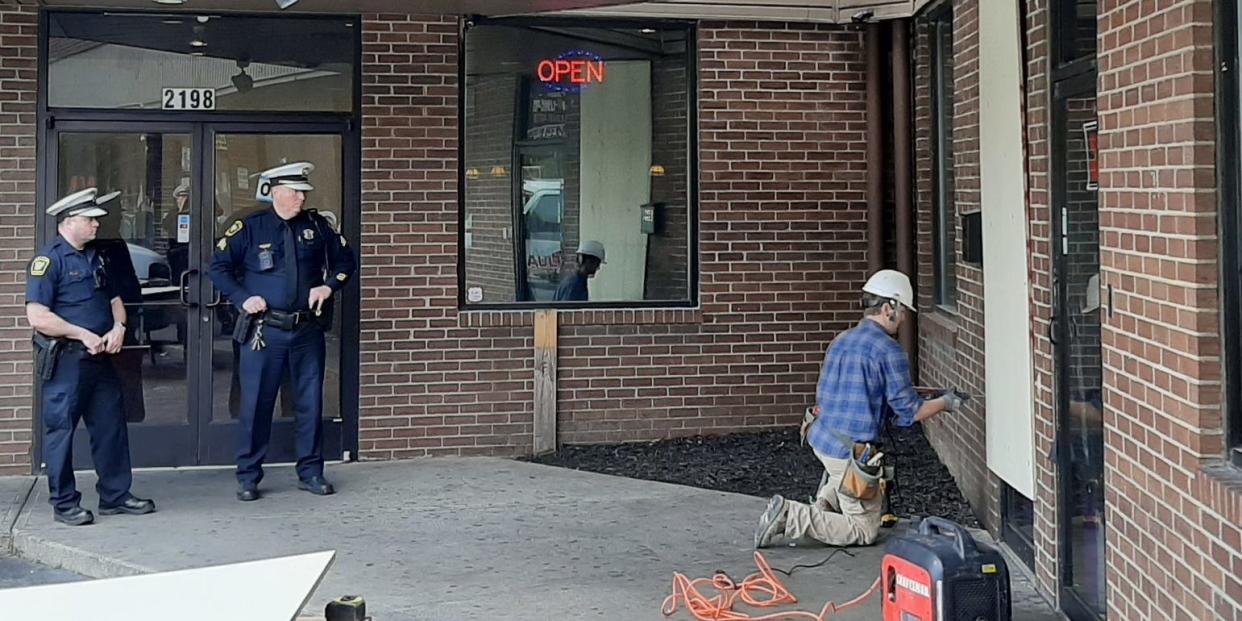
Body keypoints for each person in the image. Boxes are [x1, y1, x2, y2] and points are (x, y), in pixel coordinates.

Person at [754, 269, 964, 548]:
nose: (903, 319)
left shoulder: (842, 339)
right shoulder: (889, 350)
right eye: (902, 312)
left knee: (842, 481)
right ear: (889, 307)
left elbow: (857, 389)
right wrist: (946, 403)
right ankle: (791, 517)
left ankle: (823, 509)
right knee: (864, 530)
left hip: (821, 435)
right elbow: (910, 413)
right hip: (847, 451)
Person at [208, 162, 357, 502]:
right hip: (265, 331)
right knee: (257, 403)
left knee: (308, 402)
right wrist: (243, 299)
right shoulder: (249, 227)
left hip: (306, 330)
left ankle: (311, 471)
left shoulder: (318, 227)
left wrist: (329, 287)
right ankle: (248, 475)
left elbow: (347, 263)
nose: (300, 199)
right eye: (294, 193)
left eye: (303, 193)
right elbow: (217, 268)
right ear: (274, 192)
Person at [26, 188, 156, 526]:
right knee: (61, 431)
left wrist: (118, 328)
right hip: (68, 361)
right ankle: (64, 503)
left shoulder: (98, 255)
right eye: (90, 219)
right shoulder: (48, 260)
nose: (97, 224)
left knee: (111, 427)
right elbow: (37, 316)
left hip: (100, 360)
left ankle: (115, 496)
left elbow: (114, 298)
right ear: (69, 222)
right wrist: (82, 334)